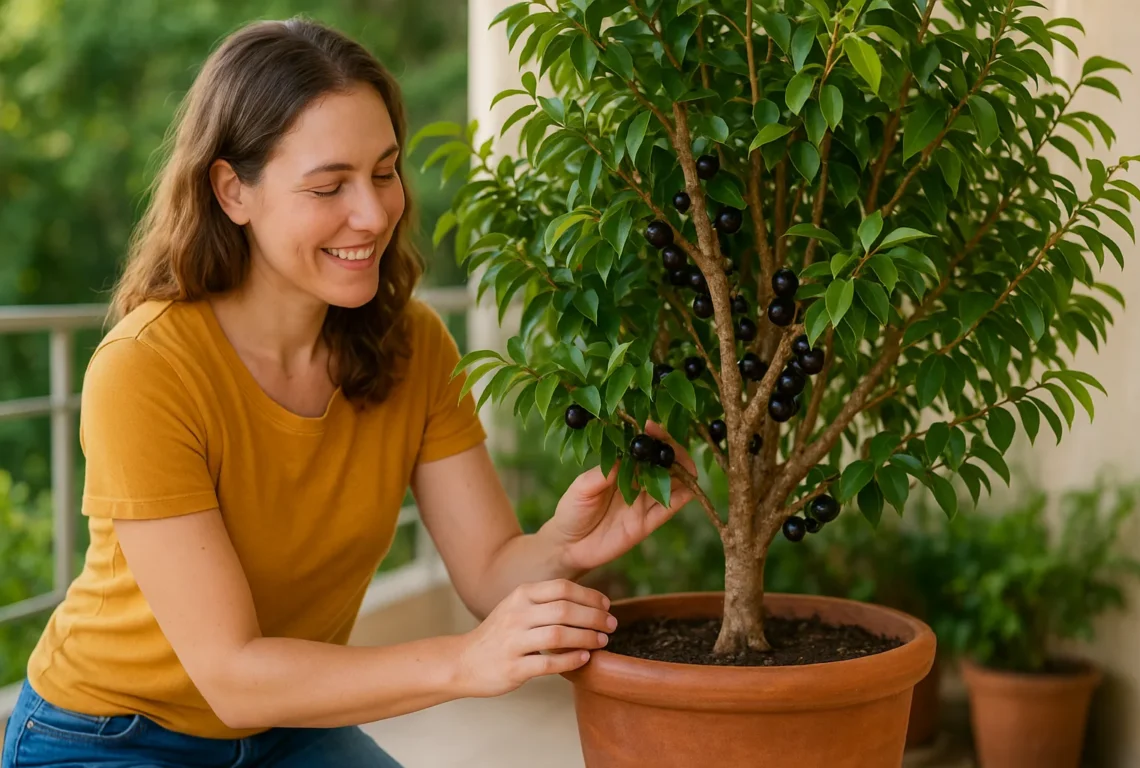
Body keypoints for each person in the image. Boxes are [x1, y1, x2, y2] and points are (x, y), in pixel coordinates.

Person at [0, 17, 698, 768]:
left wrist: (564, 546)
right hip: (111, 735)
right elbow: (233, 677)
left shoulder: (414, 343)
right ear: (233, 190)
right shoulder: (146, 369)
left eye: (385, 171)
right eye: (329, 185)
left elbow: (490, 574)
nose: (373, 214)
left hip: (287, 726)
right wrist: (465, 662)